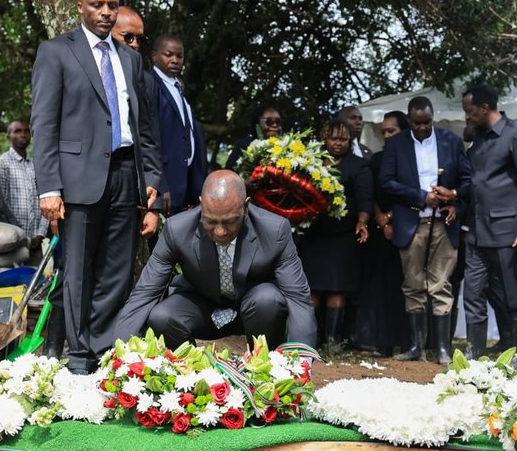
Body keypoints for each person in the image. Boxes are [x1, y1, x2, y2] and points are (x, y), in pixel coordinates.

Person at [31, 0, 161, 375]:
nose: (105, 12)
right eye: (97, 5)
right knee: (77, 273)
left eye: (112, 5)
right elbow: (44, 122)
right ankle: (79, 359)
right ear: (81, 8)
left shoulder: (131, 59)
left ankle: (103, 350)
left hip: (126, 173)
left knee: (117, 271)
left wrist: (151, 176)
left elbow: (146, 126)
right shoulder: (56, 52)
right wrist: (50, 187)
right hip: (77, 181)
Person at [115, 170, 317, 349]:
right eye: (211, 221)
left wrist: (301, 359)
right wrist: (120, 352)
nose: (220, 232)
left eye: (230, 221)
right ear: (202, 205)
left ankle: (268, 370)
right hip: (201, 307)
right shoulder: (177, 230)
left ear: (245, 208)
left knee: (268, 300)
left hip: (255, 311)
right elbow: (145, 293)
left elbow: (298, 297)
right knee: (161, 316)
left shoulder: (275, 230)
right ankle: (191, 378)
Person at [438, 83, 517, 368]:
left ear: (485, 108)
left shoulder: (516, 136)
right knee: (472, 293)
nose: (467, 117)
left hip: (508, 232)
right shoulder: (480, 140)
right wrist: (455, 195)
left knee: (512, 295)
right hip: (476, 233)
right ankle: (474, 353)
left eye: (469, 112)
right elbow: (476, 184)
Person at [380, 97, 472, 363]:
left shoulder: (451, 141)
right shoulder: (396, 144)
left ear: (434, 118)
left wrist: (454, 201)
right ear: (409, 121)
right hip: (412, 221)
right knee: (413, 285)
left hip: (444, 223)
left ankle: (442, 348)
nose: (423, 128)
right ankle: (415, 347)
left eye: (427, 122)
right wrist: (421, 197)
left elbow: (468, 181)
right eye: (417, 123)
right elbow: (386, 182)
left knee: (441, 284)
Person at [298, 118, 372, 353]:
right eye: (333, 138)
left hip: (343, 235)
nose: (338, 143)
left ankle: (332, 340)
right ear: (324, 139)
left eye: (343, 139)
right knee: (313, 288)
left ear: (350, 141)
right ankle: (310, 338)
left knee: (337, 287)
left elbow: (364, 198)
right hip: (316, 234)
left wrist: (363, 222)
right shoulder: (311, 163)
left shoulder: (359, 166)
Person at [352, 110, 411, 356]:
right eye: (384, 131)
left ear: (403, 131)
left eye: (392, 131)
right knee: (378, 286)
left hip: (406, 226)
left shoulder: (412, 160)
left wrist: (392, 219)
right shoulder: (376, 160)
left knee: (404, 287)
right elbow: (369, 192)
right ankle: (380, 342)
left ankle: (405, 341)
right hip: (378, 232)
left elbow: (412, 193)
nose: (387, 135)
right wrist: (381, 220)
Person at [146, 34, 206, 216]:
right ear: (154, 56)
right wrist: (160, 184)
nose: (175, 60)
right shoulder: (151, 84)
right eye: (168, 55)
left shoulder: (178, 87)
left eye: (179, 56)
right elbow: (150, 137)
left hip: (185, 183)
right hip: (165, 183)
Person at [0, 119, 49, 265]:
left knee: (35, 282)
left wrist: (40, 233)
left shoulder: (36, 165)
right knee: (14, 283)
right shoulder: (2, 163)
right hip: (12, 242)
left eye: (26, 131)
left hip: (35, 241)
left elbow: (45, 198)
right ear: (9, 137)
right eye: (18, 131)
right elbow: (0, 203)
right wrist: (12, 236)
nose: (23, 135)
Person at [224, 104, 282, 170]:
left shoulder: (286, 146)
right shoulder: (243, 145)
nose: (274, 125)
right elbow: (229, 170)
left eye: (278, 122)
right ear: (257, 122)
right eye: (269, 121)